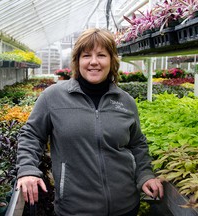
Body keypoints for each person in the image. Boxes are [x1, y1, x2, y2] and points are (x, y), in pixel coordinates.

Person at [16, 28, 163, 216]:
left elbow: (137, 143)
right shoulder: (53, 97)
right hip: (75, 209)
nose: (94, 62)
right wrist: (27, 169)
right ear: (78, 61)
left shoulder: (125, 101)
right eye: (86, 56)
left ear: (112, 61)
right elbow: (31, 135)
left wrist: (145, 175)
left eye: (101, 55)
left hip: (125, 206)